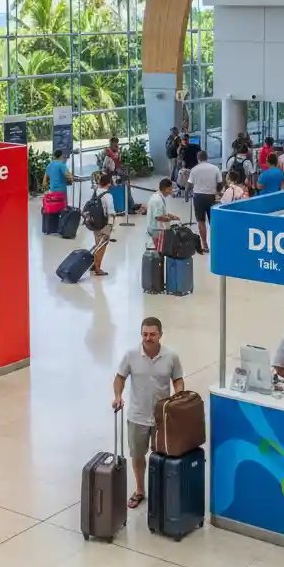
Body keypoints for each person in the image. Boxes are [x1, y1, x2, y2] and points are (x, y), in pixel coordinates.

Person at [113, 317, 185, 510]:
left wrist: (178, 397)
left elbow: (178, 380)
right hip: (137, 416)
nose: (148, 338)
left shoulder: (171, 356)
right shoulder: (131, 355)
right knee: (137, 456)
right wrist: (118, 396)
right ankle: (139, 490)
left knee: (160, 456)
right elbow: (120, 377)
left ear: (160, 335)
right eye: (145, 334)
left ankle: (160, 492)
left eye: (152, 334)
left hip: (162, 417)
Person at [187, 150, 222, 252]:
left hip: (198, 197)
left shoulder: (194, 169)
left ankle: (205, 245)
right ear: (207, 157)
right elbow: (220, 184)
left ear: (198, 159)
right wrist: (217, 192)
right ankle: (215, 244)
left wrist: (186, 195)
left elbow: (189, 184)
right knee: (213, 221)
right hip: (211, 197)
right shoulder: (215, 168)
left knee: (201, 221)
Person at [90, 171, 116, 276]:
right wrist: (111, 226)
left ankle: (93, 263)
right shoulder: (108, 195)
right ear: (109, 183)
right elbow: (111, 212)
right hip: (104, 223)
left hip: (94, 222)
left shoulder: (96, 191)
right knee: (102, 245)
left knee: (97, 243)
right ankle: (98, 268)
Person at [146, 178, 180, 248]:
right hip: (156, 231)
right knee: (160, 251)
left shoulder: (157, 196)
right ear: (164, 188)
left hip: (154, 228)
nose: (170, 192)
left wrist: (173, 216)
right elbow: (158, 217)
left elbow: (163, 213)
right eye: (169, 189)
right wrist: (170, 219)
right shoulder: (158, 200)